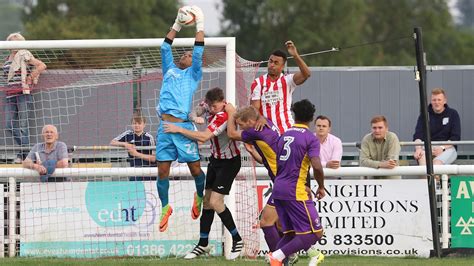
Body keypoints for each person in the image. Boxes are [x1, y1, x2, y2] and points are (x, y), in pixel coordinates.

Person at [164, 87, 243, 260]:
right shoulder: (209, 106)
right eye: (211, 106)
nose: (212, 109)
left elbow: (203, 137)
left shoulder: (223, 115)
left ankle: (237, 239)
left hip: (230, 162)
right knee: (206, 202)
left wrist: (179, 129)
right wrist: (195, 116)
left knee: (215, 201)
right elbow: (197, 110)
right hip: (215, 160)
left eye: (215, 106)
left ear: (223, 102)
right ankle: (203, 243)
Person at [155, 6, 207, 232]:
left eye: (189, 54)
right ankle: (165, 207)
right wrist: (176, 24)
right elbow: (165, 46)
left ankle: (199, 195)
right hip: (164, 128)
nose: (186, 55)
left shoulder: (193, 74)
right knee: (162, 172)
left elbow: (198, 52)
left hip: (183, 127)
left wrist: (200, 25)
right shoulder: (169, 69)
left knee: (195, 170)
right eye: (184, 53)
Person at [266, 99, 325, 266]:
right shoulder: (310, 138)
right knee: (314, 234)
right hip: (295, 191)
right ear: (312, 119)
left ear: (294, 115)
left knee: (291, 234)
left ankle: (275, 258)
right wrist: (321, 186)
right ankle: (276, 256)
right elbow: (317, 166)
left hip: (278, 189)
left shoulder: (284, 135)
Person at [225, 104, 283, 254]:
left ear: (250, 122)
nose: (240, 128)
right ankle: (285, 255)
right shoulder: (267, 122)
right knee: (281, 224)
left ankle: (280, 257)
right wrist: (251, 151)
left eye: (241, 124)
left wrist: (231, 113)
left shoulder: (254, 132)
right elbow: (265, 160)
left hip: (283, 181)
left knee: (265, 222)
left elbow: (231, 134)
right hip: (285, 178)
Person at [3, 32, 47, 162]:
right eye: (11, 41)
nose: (14, 44)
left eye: (16, 41)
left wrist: (30, 77)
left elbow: (42, 65)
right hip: (9, 95)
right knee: (9, 125)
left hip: (23, 94)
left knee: (23, 126)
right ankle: (28, 151)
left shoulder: (24, 54)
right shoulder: (7, 58)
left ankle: (23, 155)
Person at [250, 40, 311, 133]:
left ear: (282, 66)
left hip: (287, 130)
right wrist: (260, 117)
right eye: (270, 61)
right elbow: (254, 108)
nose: (271, 65)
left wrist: (295, 55)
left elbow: (306, 74)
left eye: (275, 63)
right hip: (268, 131)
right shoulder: (258, 83)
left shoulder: (288, 80)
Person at [413, 88, 461, 166]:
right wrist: (418, 149)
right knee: (422, 161)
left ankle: (435, 178)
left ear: (444, 101)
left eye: (439, 100)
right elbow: (418, 135)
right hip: (428, 147)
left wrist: (442, 148)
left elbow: (455, 137)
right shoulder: (424, 115)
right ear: (431, 101)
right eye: (434, 100)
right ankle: (426, 178)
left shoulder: (453, 114)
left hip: (447, 148)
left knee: (436, 164)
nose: (436, 102)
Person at [110, 114, 156, 181]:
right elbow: (112, 142)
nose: (136, 125)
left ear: (144, 125)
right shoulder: (128, 134)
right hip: (134, 169)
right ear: (131, 124)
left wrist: (136, 154)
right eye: (134, 123)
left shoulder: (149, 137)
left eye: (139, 123)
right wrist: (125, 144)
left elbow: (153, 158)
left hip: (148, 169)